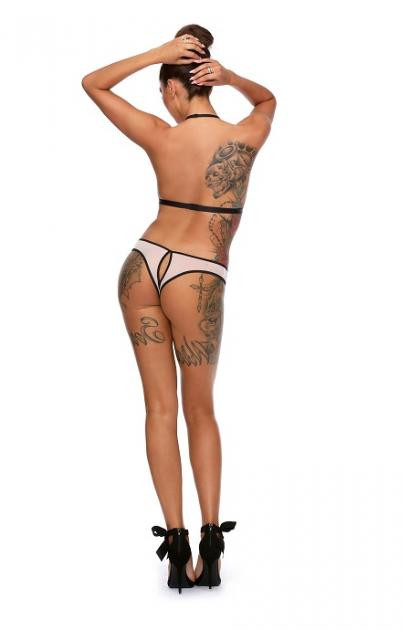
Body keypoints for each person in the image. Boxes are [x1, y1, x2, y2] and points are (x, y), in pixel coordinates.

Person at [81, 23, 276, 592]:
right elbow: (268, 99)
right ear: (207, 82)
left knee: (159, 410)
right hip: (197, 276)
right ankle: (212, 542)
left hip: (142, 266)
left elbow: (93, 83)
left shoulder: (160, 136)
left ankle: (175, 545)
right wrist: (232, 77)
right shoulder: (245, 135)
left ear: (172, 87)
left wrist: (156, 54)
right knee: (200, 411)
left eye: (163, 88)